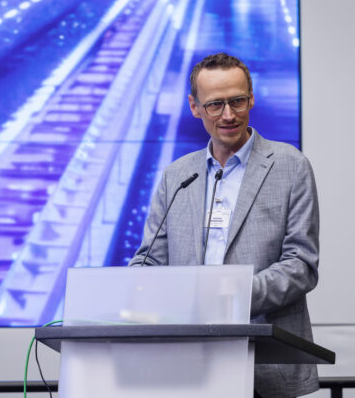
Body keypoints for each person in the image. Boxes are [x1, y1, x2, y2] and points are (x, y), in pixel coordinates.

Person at [129, 53, 320, 398]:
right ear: (194, 107)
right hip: (185, 363)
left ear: (252, 98)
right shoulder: (177, 175)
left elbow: (301, 265)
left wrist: (229, 297)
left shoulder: (290, 166)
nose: (228, 115)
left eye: (237, 101)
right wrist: (133, 289)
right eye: (215, 104)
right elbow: (150, 260)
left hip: (265, 366)